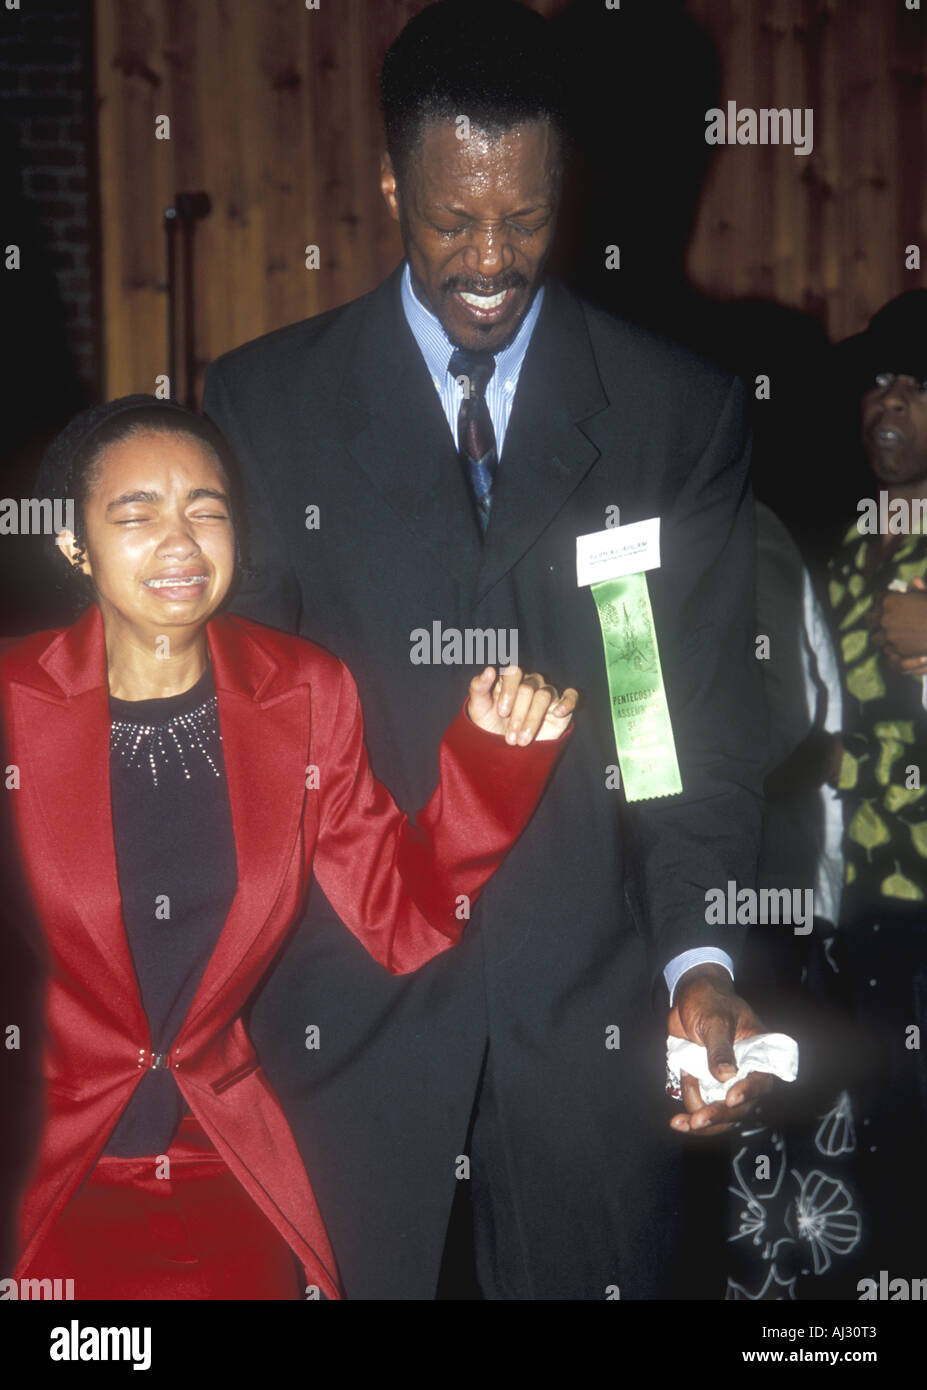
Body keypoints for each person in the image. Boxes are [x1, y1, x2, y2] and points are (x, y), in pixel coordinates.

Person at [203, 0, 774, 1300]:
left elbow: (663, 724)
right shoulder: (263, 408)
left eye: (522, 217)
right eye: (453, 217)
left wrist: (698, 965)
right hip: (334, 1032)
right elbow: (251, 755)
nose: (488, 258)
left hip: (586, 1021)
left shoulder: (670, 418)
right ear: (391, 177)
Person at [0, 394, 573, 1301]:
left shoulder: (303, 691)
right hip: (45, 1167)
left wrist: (492, 764)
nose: (180, 541)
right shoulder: (10, 701)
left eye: (207, 510)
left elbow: (403, 918)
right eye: (136, 512)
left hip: (224, 1165)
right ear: (74, 546)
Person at [825, 289, 927, 1277]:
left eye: (917, 383)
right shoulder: (850, 553)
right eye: (879, 381)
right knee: (887, 1135)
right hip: (870, 900)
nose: (890, 400)